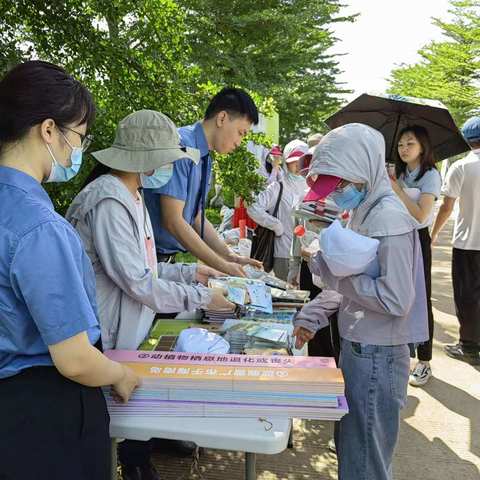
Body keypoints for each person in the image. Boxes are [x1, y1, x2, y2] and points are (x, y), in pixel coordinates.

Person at [66, 110, 234, 479]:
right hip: (103, 332)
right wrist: (203, 298)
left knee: (128, 417)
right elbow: (138, 283)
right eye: (168, 159)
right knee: (107, 431)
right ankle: (130, 463)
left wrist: (192, 272)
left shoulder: (133, 193)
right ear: (146, 158)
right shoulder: (109, 200)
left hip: (126, 329)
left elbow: (147, 267)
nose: (171, 168)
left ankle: (135, 457)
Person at [0, 60, 140, 480]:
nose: (75, 151)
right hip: (41, 415)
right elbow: (75, 359)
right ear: (48, 130)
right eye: (77, 136)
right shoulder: (41, 228)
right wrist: (120, 374)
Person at [294, 123, 428, 480]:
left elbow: (396, 299)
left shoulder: (388, 217)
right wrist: (314, 313)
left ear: (363, 171)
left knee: (364, 463)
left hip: (378, 357)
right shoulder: (363, 210)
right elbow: (352, 280)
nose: (335, 194)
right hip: (361, 348)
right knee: (354, 452)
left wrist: (334, 274)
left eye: (339, 185)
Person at [144, 88, 262, 276]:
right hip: (145, 258)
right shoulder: (181, 146)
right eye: (241, 133)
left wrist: (230, 256)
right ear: (222, 118)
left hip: (166, 260)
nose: (240, 142)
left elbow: (195, 216)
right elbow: (173, 220)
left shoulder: (204, 157)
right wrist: (223, 266)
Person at [390, 125, 441, 387]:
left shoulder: (430, 175)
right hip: (397, 238)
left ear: (423, 147)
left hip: (418, 240)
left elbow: (422, 215)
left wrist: (396, 190)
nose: (403, 148)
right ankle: (402, 353)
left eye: (410, 143)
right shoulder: (399, 172)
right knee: (399, 294)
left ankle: (424, 361)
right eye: (400, 144)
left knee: (421, 297)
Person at [431, 116, 480, 365]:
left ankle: (470, 346)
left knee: (467, 295)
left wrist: (435, 233)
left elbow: (447, 206)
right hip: (469, 242)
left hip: (468, 242)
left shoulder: (461, 166)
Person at [247, 139, 308, 281]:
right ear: (286, 162)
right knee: (288, 295)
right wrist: (276, 225)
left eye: (302, 160)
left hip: (309, 255)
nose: (298, 165)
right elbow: (253, 207)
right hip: (284, 253)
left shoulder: (312, 186)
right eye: (294, 161)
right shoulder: (278, 186)